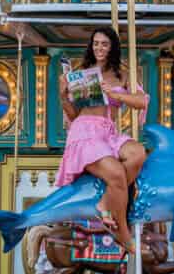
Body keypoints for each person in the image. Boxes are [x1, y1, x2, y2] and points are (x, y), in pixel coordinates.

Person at [56, 27, 148, 253]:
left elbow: (141, 102)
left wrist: (116, 94)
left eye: (104, 44)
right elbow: (73, 115)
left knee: (138, 153)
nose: (99, 48)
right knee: (117, 173)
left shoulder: (122, 75)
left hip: (109, 132)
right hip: (85, 132)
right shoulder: (82, 73)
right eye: (96, 43)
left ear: (112, 47)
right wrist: (63, 95)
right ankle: (122, 233)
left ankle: (107, 202)